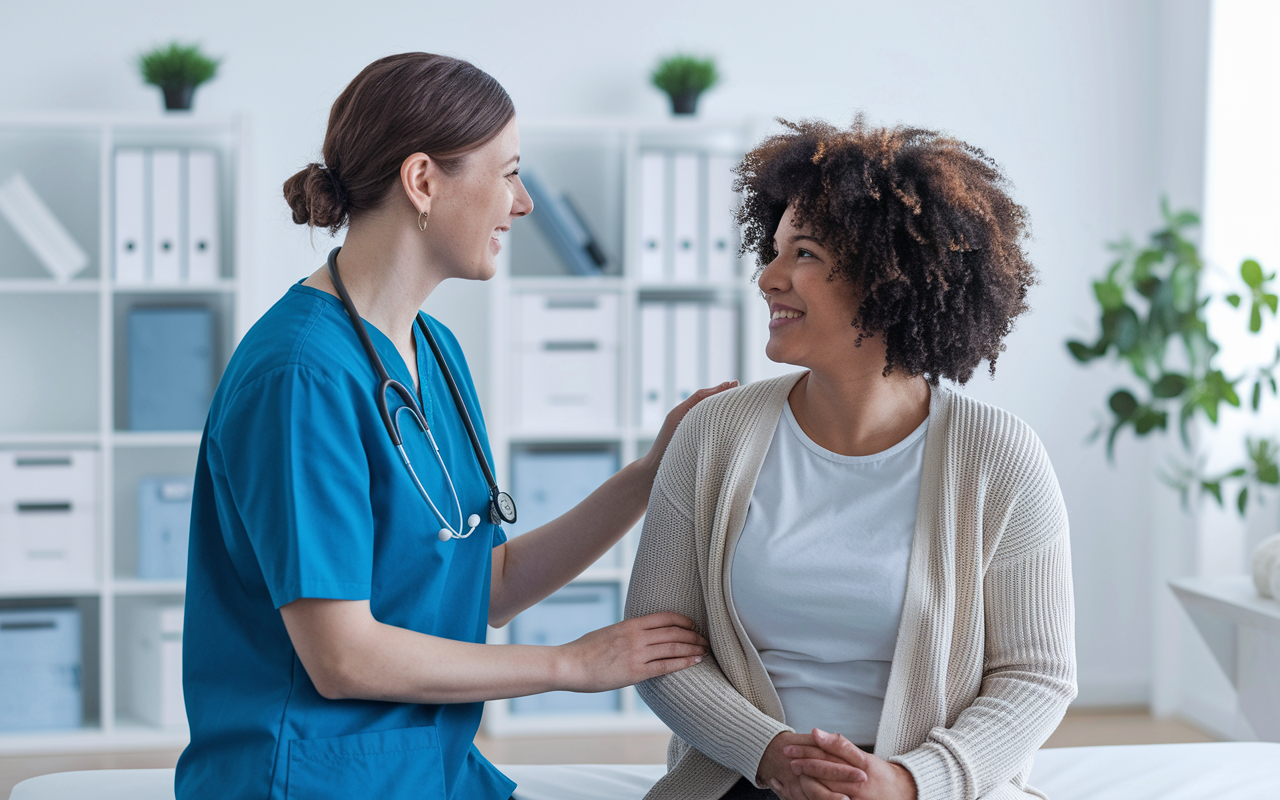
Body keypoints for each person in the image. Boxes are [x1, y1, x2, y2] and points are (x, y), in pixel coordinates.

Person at [175, 53, 722, 800]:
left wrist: (648, 476)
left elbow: (485, 586)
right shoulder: (301, 376)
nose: (523, 203)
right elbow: (342, 658)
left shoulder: (432, 349)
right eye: (508, 172)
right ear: (423, 180)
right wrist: (571, 665)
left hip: (431, 767)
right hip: (310, 776)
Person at [625, 118, 1076, 800]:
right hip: (745, 780)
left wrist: (907, 781)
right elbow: (659, 652)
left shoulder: (999, 456)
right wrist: (770, 753)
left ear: (889, 277)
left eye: (802, 253)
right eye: (773, 250)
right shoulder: (713, 434)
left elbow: (1036, 675)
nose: (768, 277)